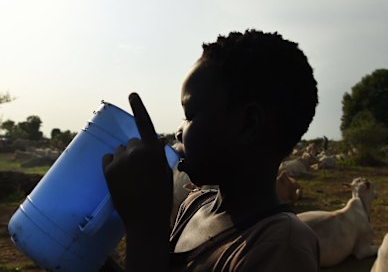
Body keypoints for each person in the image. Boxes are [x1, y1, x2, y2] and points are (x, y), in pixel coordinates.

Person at [102, 29, 320, 272]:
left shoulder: (282, 248)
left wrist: (145, 228)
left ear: (247, 124)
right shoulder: (195, 205)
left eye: (189, 115)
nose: (178, 132)